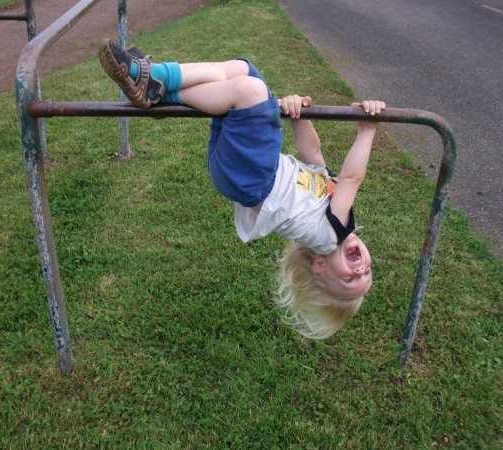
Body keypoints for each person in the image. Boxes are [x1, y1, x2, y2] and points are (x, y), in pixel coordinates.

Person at [99, 40, 385, 339]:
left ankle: (156, 89)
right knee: (245, 71)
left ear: (320, 265)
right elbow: (312, 154)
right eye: (367, 272)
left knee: (251, 91)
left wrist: (367, 130)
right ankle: (152, 77)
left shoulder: (331, 235)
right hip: (244, 172)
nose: (360, 270)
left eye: (350, 281)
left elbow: (352, 178)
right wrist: (299, 113)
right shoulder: (327, 213)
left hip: (254, 177)